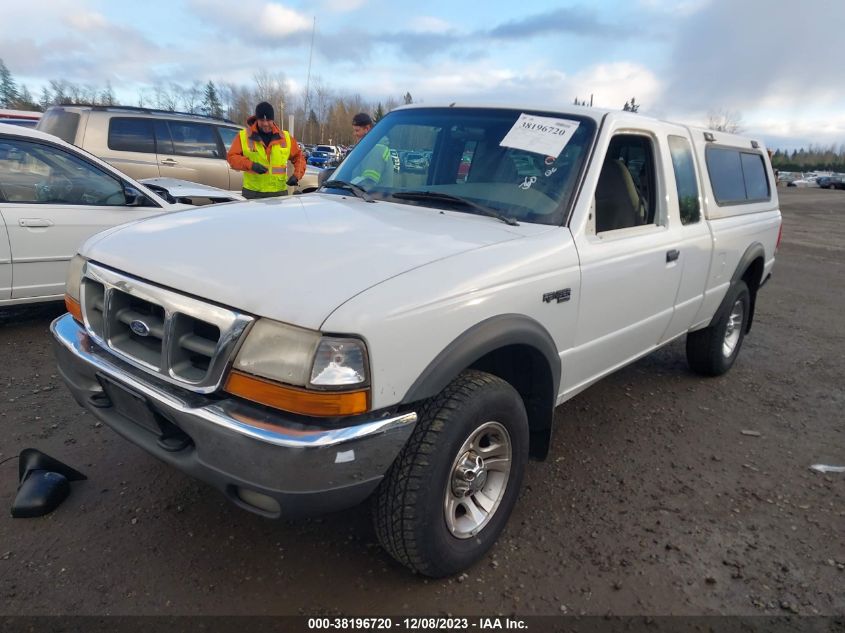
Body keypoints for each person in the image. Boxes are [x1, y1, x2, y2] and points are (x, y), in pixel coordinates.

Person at [227, 101, 306, 199]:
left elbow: (299, 156)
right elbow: (232, 158)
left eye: (268, 120)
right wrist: (251, 165)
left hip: (279, 194)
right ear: (257, 119)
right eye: (261, 120)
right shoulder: (244, 136)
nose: (265, 124)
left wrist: (296, 175)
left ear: (273, 119)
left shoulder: (285, 137)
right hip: (252, 194)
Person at [350, 112, 393, 186]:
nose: (354, 134)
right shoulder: (369, 149)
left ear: (367, 129)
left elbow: (367, 185)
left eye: (357, 130)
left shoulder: (377, 149)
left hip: (370, 197)